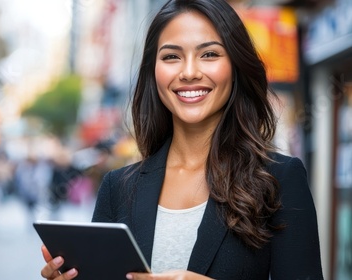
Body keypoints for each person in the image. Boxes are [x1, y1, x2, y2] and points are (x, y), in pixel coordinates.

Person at [40, 0, 323, 279]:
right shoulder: (118, 188)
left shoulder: (279, 179)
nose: (189, 72)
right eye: (171, 56)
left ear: (235, 66)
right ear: (153, 72)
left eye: (209, 54)